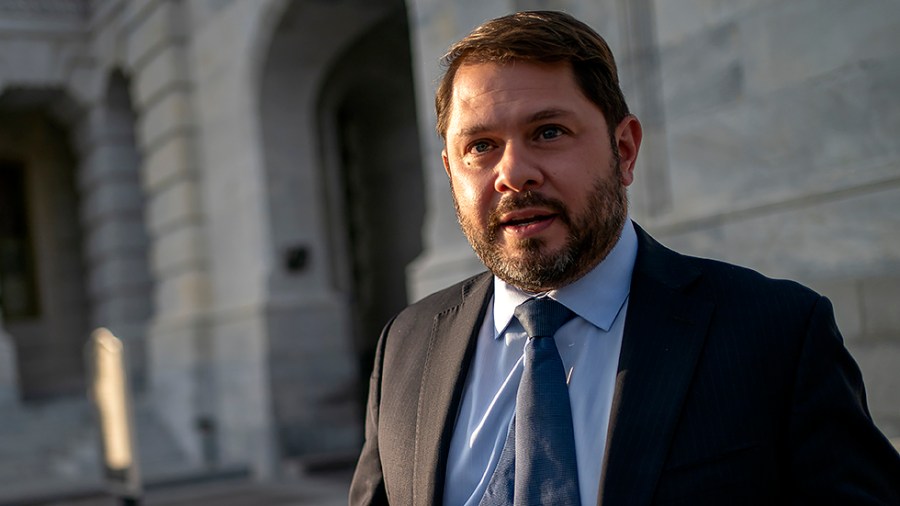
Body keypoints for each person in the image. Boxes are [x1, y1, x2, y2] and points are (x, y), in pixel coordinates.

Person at [349, 10, 900, 506]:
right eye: (481, 146)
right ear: (451, 170)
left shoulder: (773, 332)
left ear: (625, 149)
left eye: (548, 132)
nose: (513, 173)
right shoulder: (407, 344)